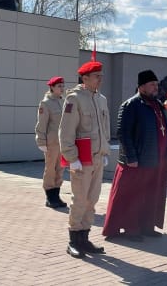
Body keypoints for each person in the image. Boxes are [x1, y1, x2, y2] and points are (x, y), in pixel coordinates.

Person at [103, 70, 167, 241]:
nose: (156, 87)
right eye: (152, 84)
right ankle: (130, 229)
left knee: (150, 195)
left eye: (157, 84)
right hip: (137, 161)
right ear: (141, 86)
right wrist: (131, 157)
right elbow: (123, 133)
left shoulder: (157, 105)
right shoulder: (131, 105)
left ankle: (146, 226)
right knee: (132, 196)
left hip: (156, 160)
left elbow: (165, 130)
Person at [59, 59, 111, 258]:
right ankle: (73, 240)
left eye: (101, 76)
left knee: (92, 199)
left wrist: (104, 151)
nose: (100, 80)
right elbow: (66, 131)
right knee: (79, 199)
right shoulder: (74, 99)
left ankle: (84, 238)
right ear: (85, 77)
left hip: (97, 157)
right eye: (97, 76)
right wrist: (71, 157)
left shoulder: (101, 99)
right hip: (81, 158)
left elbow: (104, 129)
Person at [35, 76, 67, 209]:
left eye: (62, 86)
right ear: (52, 87)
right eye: (59, 86)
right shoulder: (46, 103)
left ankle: (56, 195)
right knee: (50, 170)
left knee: (60, 169)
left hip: (63, 142)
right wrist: (41, 141)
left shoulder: (64, 101)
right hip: (51, 142)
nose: (62, 88)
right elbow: (41, 124)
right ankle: (50, 196)